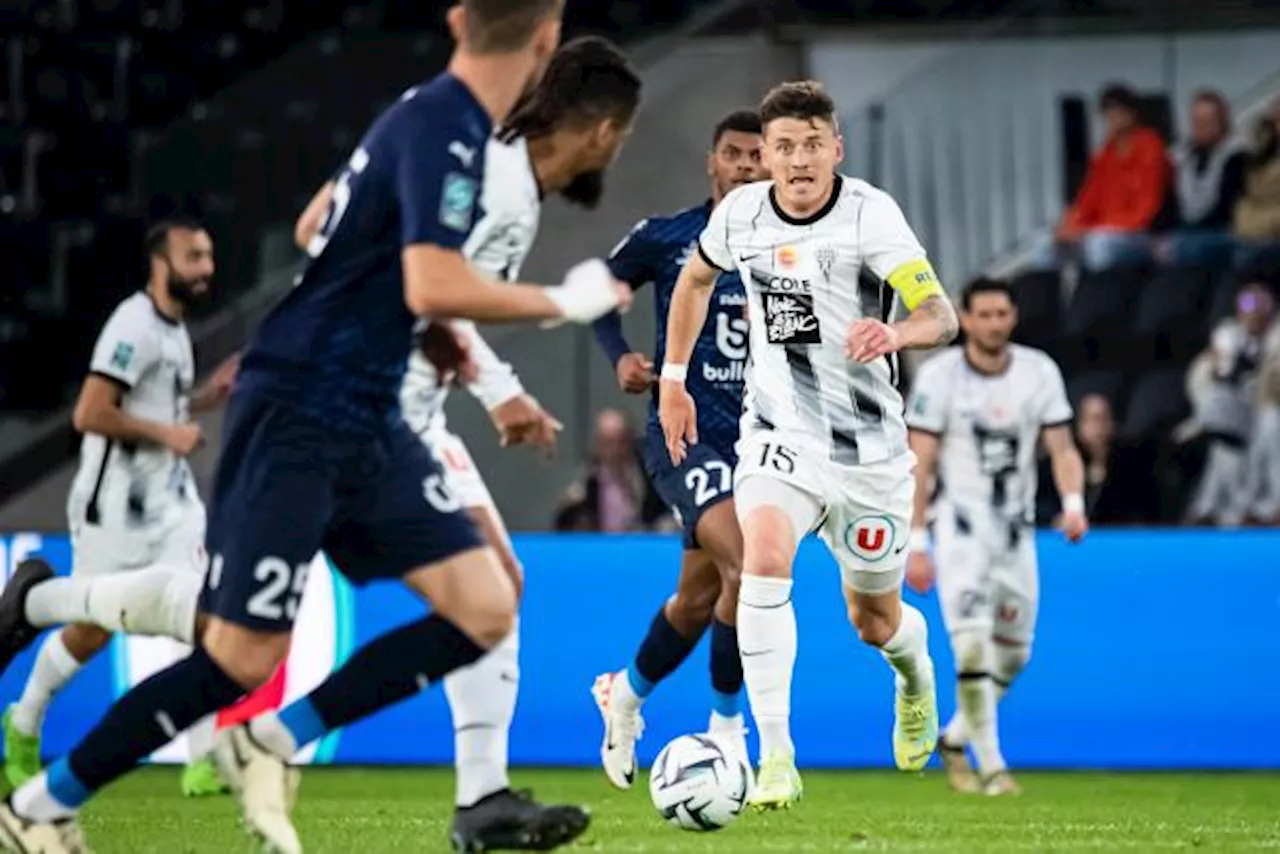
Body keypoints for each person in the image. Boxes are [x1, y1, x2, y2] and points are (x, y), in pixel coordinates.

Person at [0, 2, 633, 851]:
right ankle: (40, 804)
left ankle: (273, 740)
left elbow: (333, 240)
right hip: (301, 408)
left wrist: (461, 359)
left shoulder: (431, 120)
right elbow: (429, 281)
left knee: (485, 603)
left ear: (452, 18)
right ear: (547, 37)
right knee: (235, 655)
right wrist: (563, 303)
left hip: (368, 414)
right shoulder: (456, 136)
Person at [294, 35, 641, 850]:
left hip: (407, 408)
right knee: (239, 627)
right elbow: (426, 284)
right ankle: (62, 610)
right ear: (601, 130)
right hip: (361, 407)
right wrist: (506, 376)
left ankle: (481, 797)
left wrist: (492, 386)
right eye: (620, 138)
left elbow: (326, 229)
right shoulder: (494, 179)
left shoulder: (482, 160)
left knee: (498, 585)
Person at [658, 80, 959, 810]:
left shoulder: (870, 216)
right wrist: (674, 378)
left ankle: (914, 676)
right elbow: (695, 280)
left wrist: (897, 331)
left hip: (869, 454)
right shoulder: (742, 215)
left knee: (873, 622)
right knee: (761, 561)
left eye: (811, 146)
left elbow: (940, 314)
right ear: (766, 156)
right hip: (779, 436)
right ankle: (776, 757)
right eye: (783, 148)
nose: (797, 161)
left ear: (836, 149)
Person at [0, 218, 242, 798]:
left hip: (172, 503)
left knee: (209, 614)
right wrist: (169, 432)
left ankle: (203, 758)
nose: (207, 268)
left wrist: (206, 397)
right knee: (90, 631)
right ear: (162, 264)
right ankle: (24, 723)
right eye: (194, 257)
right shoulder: (132, 324)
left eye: (209, 256)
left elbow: (159, 398)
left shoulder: (177, 330)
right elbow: (90, 413)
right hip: (114, 508)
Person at [589, 108, 765, 790]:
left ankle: (624, 696)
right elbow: (600, 297)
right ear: (712, 162)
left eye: (758, 156)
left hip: (762, 442)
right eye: (735, 154)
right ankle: (727, 733)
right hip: (684, 433)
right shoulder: (670, 238)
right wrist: (620, 356)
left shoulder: (788, 243)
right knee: (750, 570)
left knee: (698, 600)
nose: (748, 166)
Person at [902, 277, 1088, 796]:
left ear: (1013, 317)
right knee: (972, 649)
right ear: (965, 318)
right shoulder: (940, 377)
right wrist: (917, 542)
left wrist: (1073, 505)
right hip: (959, 530)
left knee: (1014, 654)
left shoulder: (1037, 371)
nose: (992, 324)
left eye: (1000, 314)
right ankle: (993, 765)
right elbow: (920, 463)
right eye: (982, 315)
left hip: (1015, 531)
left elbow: (1063, 446)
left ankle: (956, 737)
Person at [1033, 83, 1168, 271]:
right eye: (1108, 114)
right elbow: (1087, 200)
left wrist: (1093, 230)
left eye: (1118, 113)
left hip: (1140, 235)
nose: (1112, 119)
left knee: (1099, 247)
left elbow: (1146, 211)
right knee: (1042, 245)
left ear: (1132, 114)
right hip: (1099, 231)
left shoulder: (1150, 146)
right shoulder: (1106, 153)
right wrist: (1071, 225)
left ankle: (1103, 296)